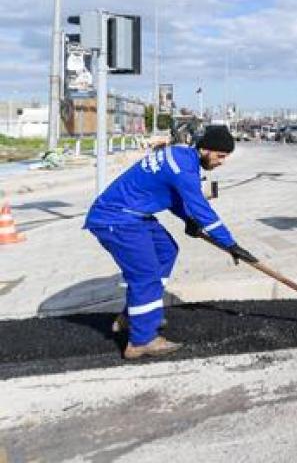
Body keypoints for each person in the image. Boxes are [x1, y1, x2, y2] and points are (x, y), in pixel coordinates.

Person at [85, 125, 254, 359]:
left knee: (166, 251)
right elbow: (201, 208)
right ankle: (142, 341)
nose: (221, 162)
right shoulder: (183, 168)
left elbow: (174, 197)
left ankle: (134, 316)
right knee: (145, 274)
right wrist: (230, 244)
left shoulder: (181, 156)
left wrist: (188, 220)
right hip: (116, 219)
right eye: (220, 156)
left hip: (134, 215)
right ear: (205, 149)